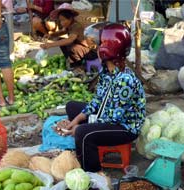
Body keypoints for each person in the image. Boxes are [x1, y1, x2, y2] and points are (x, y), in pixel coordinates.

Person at [59, 24, 146, 172]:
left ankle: (92, 172)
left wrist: (80, 128)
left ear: (107, 50)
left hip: (125, 127)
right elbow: (98, 100)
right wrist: (77, 120)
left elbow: (112, 118)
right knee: (72, 106)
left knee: (83, 133)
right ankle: (85, 139)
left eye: (100, 46)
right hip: (110, 116)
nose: (97, 49)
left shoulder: (125, 80)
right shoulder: (107, 71)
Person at [40, 3, 97, 70]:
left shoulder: (76, 26)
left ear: (70, 18)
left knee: (73, 47)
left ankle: (77, 65)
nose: (61, 23)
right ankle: (71, 60)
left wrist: (51, 44)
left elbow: (70, 40)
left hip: (90, 52)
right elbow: (62, 32)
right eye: (60, 20)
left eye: (63, 20)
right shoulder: (70, 25)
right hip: (82, 50)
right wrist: (51, 35)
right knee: (60, 40)